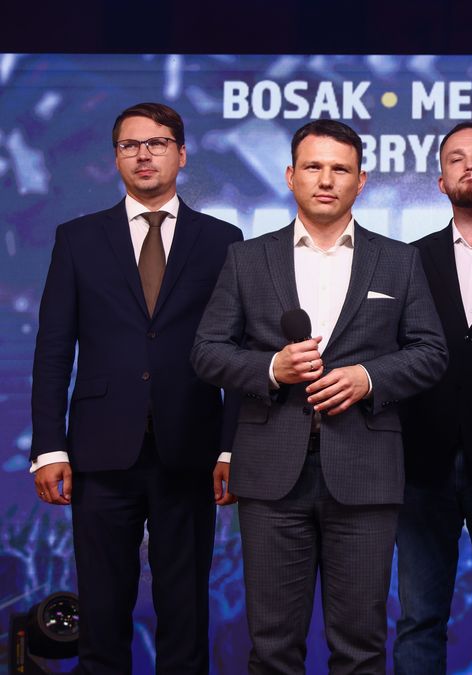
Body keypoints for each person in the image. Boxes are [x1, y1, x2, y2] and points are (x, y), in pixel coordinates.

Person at [191, 119, 447, 674]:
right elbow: (207, 352)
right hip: (270, 476)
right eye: (313, 166)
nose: (325, 179)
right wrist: (271, 367)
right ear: (289, 175)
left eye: (340, 169)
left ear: (362, 181)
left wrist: (369, 379)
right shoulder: (248, 258)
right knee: (273, 646)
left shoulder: (399, 260)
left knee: (361, 647)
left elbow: (431, 352)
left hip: (366, 472)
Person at [30, 101, 242, 674]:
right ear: (116, 157)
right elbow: (54, 348)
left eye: (156, 143)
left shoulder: (224, 239)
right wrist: (49, 446)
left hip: (189, 448)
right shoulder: (77, 238)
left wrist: (229, 446)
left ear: (181, 153)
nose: (143, 155)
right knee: (102, 609)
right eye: (130, 145)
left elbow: (238, 353)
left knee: (186, 611)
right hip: (100, 450)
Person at [394, 121, 472, 674]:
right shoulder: (405, 260)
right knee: (419, 618)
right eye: (456, 159)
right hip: (422, 463)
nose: (470, 165)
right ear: (440, 181)